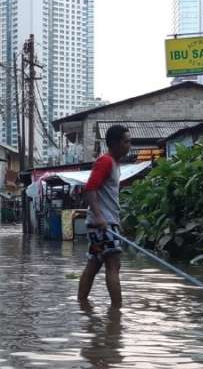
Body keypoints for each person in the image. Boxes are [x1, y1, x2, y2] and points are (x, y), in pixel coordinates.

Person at [78, 125, 131, 308]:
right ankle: (117, 314)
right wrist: (100, 217)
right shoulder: (105, 162)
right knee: (113, 265)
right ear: (115, 143)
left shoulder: (115, 164)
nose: (129, 146)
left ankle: (82, 304)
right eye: (126, 142)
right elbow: (90, 188)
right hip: (102, 224)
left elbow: (108, 197)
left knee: (93, 264)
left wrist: (116, 222)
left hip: (106, 223)